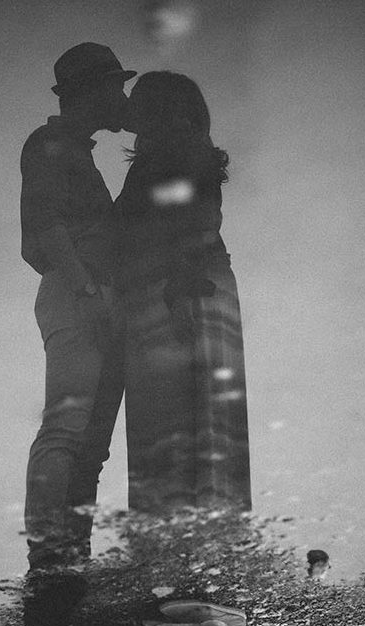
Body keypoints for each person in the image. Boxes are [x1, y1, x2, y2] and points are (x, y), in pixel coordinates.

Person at [19, 43, 134, 626]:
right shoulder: (50, 145)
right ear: (91, 91)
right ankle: (48, 571)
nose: (122, 99)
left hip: (98, 300)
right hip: (78, 297)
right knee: (67, 431)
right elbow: (44, 229)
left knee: (88, 445)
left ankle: (65, 581)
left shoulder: (77, 154)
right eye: (115, 88)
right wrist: (89, 289)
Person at [115, 71, 251, 514]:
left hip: (181, 288)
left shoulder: (175, 149)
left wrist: (177, 292)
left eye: (139, 100)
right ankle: (204, 534)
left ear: (158, 108)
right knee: (197, 416)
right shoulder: (178, 151)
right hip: (186, 286)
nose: (129, 108)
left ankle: (184, 537)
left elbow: (190, 220)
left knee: (179, 412)